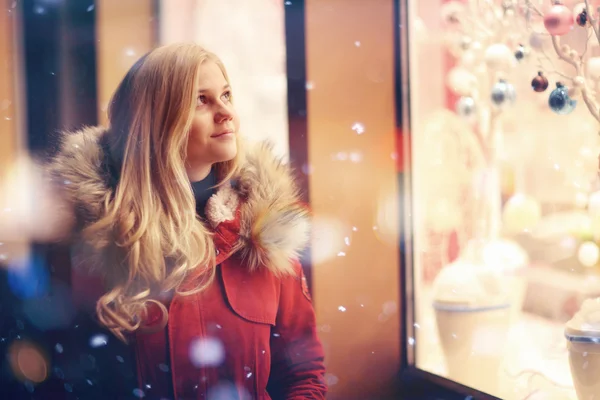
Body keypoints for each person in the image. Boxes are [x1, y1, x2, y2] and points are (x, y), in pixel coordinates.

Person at [42, 43, 326, 399]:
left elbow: (304, 374)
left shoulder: (265, 234)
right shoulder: (93, 242)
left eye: (226, 95)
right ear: (156, 122)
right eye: (201, 101)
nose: (226, 113)